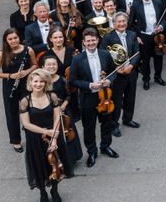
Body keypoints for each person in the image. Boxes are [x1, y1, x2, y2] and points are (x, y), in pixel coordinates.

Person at [19, 69, 74, 202]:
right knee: (39, 166)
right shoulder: (25, 101)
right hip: (35, 139)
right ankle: (43, 193)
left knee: (54, 164)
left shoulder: (52, 96)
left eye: (42, 81)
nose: (38, 84)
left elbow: (57, 117)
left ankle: (54, 190)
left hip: (54, 135)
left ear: (46, 83)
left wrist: (54, 138)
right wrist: (46, 132)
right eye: (35, 81)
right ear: (30, 82)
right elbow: (26, 124)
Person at [69, 28, 117, 168]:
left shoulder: (105, 54)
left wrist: (109, 81)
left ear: (97, 40)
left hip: (105, 96)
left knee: (107, 123)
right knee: (89, 126)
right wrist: (90, 85)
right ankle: (92, 151)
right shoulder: (78, 59)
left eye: (93, 40)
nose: (91, 43)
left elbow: (112, 72)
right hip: (88, 97)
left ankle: (105, 146)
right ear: (83, 42)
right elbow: (73, 80)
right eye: (88, 41)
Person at [0, 28, 37, 152]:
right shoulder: (1, 54)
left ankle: (33, 137)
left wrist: (26, 71)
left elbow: (35, 65)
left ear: (19, 38)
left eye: (15, 38)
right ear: (6, 40)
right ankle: (16, 141)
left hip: (26, 85)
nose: (13, 41)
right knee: (12, 114)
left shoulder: (28, 50)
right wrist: (10, 76)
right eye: (10, 39)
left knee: (30, 111)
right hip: (10, 86)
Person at [100, 12, 141, 137]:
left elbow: (137, 52)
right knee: (116, 100)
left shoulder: (132, 34)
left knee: (130, 97)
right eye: (119, 22)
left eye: (124, 21)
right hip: (117, 74)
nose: (122, 24)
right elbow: (104, 55)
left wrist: (131, 66)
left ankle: (127, 119)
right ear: (114, 23)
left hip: (131, 72)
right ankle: (114, 125)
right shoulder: (108, 37)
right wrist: (116, 68)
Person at [41, 54, 82, 165]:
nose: (51, 66)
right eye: (48, 64)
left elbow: (69, 95)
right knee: (53, 136)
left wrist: (64, 104)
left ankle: (70, 159)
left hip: (64, 111)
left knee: (67, 135)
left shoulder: (62, 79)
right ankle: (55, 160)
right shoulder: (40, 81)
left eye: (54, 64)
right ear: (43, 67)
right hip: (49, 113)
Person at [130, 0, 166, 89]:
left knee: (158, 57)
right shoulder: (135, 5)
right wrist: (137, 36)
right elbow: (131, 24)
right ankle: (146, 79)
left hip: (158, 35)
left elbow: (164, 19)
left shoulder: (159, 3)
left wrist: (161, 26)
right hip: (144, 36)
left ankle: (158, 76)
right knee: (145, 60)